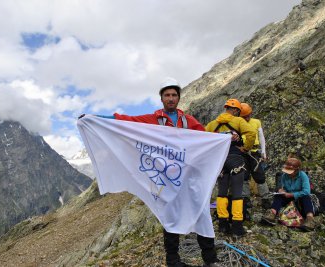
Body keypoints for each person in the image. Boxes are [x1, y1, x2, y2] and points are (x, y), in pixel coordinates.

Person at [98, 77, 218, 267]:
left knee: (202, 212)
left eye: (174, 95)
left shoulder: (188, 121)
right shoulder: (153, 120)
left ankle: (210, 260)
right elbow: (127, 121)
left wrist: (226, 138)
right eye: (167, 95)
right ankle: (173, 260)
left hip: (189, 179)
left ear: (179, 98)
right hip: (167, 180)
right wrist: (99, 119)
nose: (170, 98)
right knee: (170, 216)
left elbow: (206, 139)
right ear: (161, 98)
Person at [206, 99, 256, 236]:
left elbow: (203, 138)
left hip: (219, 160)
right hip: (235, 158)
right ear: (235, 110)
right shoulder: (238, 122)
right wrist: (245, 148)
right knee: (237, 192)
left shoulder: (212, 124)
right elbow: (251, 133)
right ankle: (237, 227)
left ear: (226, 108)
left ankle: (223, 225)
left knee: (222, 192)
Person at [262, 157, 316, 231]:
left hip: (300, 196)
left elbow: (306, 191)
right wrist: (281, 190)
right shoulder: (284, 176)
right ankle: (272, 213)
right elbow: (282, 187)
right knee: (278, 196)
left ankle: (310, 219)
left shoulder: (303, 176)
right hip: (288, 195)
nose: (288, 173)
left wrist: (292, 195)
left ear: (297, 170)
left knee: (306, 197)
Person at [239, 103, 271, 209]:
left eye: (248, 115)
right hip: (243, 153)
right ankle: (245, 199)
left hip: (255, 152)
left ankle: (265, 198)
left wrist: (264, 152)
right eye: (244, 117)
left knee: (260, 175)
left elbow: (261, 137)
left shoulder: (256, 122)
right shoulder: (237, 124)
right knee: (244, 176)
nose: (247, 118)